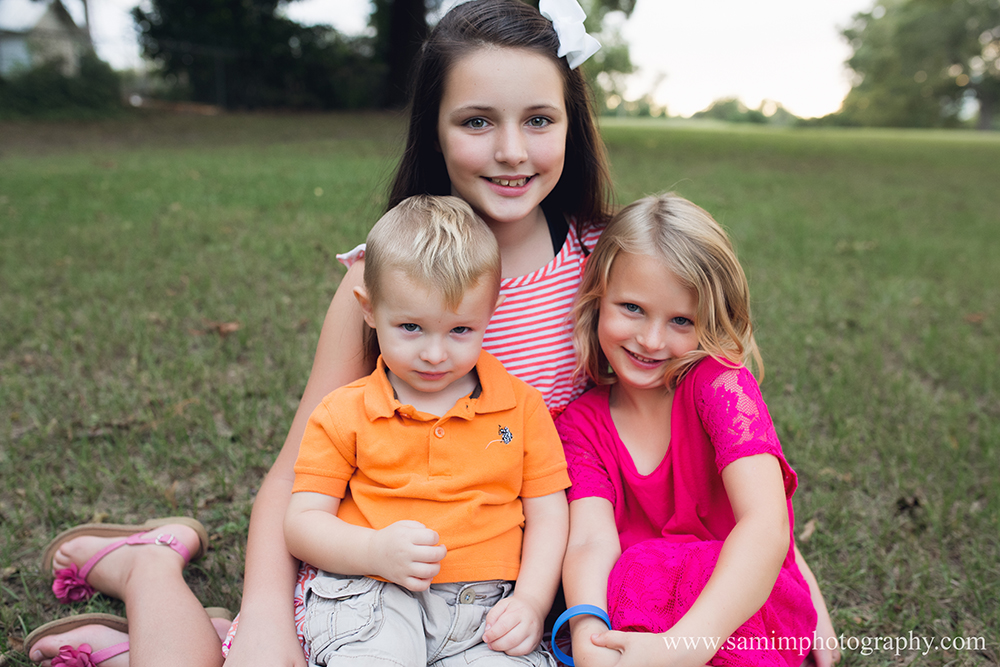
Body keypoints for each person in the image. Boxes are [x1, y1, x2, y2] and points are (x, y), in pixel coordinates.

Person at [25, 1, 835, 666]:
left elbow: (724, 444)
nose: (512, 151)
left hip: (516, 582)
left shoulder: (610, 269)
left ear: (571, 125)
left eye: (539, 120)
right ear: (435, 129)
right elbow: (297, 465)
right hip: (375, 562)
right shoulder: (376, 282)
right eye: (478, 121)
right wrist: (270, 613)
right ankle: (150, 568)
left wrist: (795, 583)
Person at [282, 194, 569, 665]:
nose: (435, 354)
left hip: (487, 613)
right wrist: (373, 550)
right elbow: (302, 522)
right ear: (370, 310)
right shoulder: (345, 412)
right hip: (372, 593)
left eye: (460, 331)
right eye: (411, 327)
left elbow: (548, 514)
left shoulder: (520, 406)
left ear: (489, 314)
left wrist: (533, 601)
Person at [556, 194, 839, 667]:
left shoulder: (721, 386)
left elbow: (765, 525)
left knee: (659, 564)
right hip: (640, 614)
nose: (650, 340)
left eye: (681, 321)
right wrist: (588, 629)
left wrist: (683, 646)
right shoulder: (580, 424)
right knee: (639, 567)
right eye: (631, 308)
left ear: (711, 320)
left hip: (734, 607)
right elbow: (588, 540)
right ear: (597, 298)